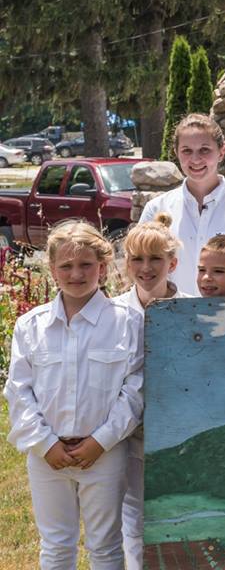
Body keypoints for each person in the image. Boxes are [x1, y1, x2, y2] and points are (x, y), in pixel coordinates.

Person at [5, 219, 143, 569]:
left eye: (85, 265)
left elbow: (134, 390)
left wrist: (101, 441)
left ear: (103, 266)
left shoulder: (127, 322)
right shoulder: (31, 326)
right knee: (55, 546)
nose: (76, 274)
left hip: (104, 454)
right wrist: (45, 444)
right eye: (66, 266)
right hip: (46, 455)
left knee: (106, 546)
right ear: (52, 269)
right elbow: (19, 392)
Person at [115, 213, 191, 570]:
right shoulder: (112, 313)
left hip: (178, 437)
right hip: (127, 438)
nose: (146, 268)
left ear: (172, 263)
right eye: (138, 260)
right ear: (126, 264)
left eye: (156, 259)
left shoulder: (191, 310)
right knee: (132, 522)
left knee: (179, 519)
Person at [139, 114, 225, 296]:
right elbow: (143, 270)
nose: (195, 159)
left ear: (221, 151)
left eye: (204, 150)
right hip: (171, 318)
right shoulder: (156, 209)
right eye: (187, 151)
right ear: (176, 152)